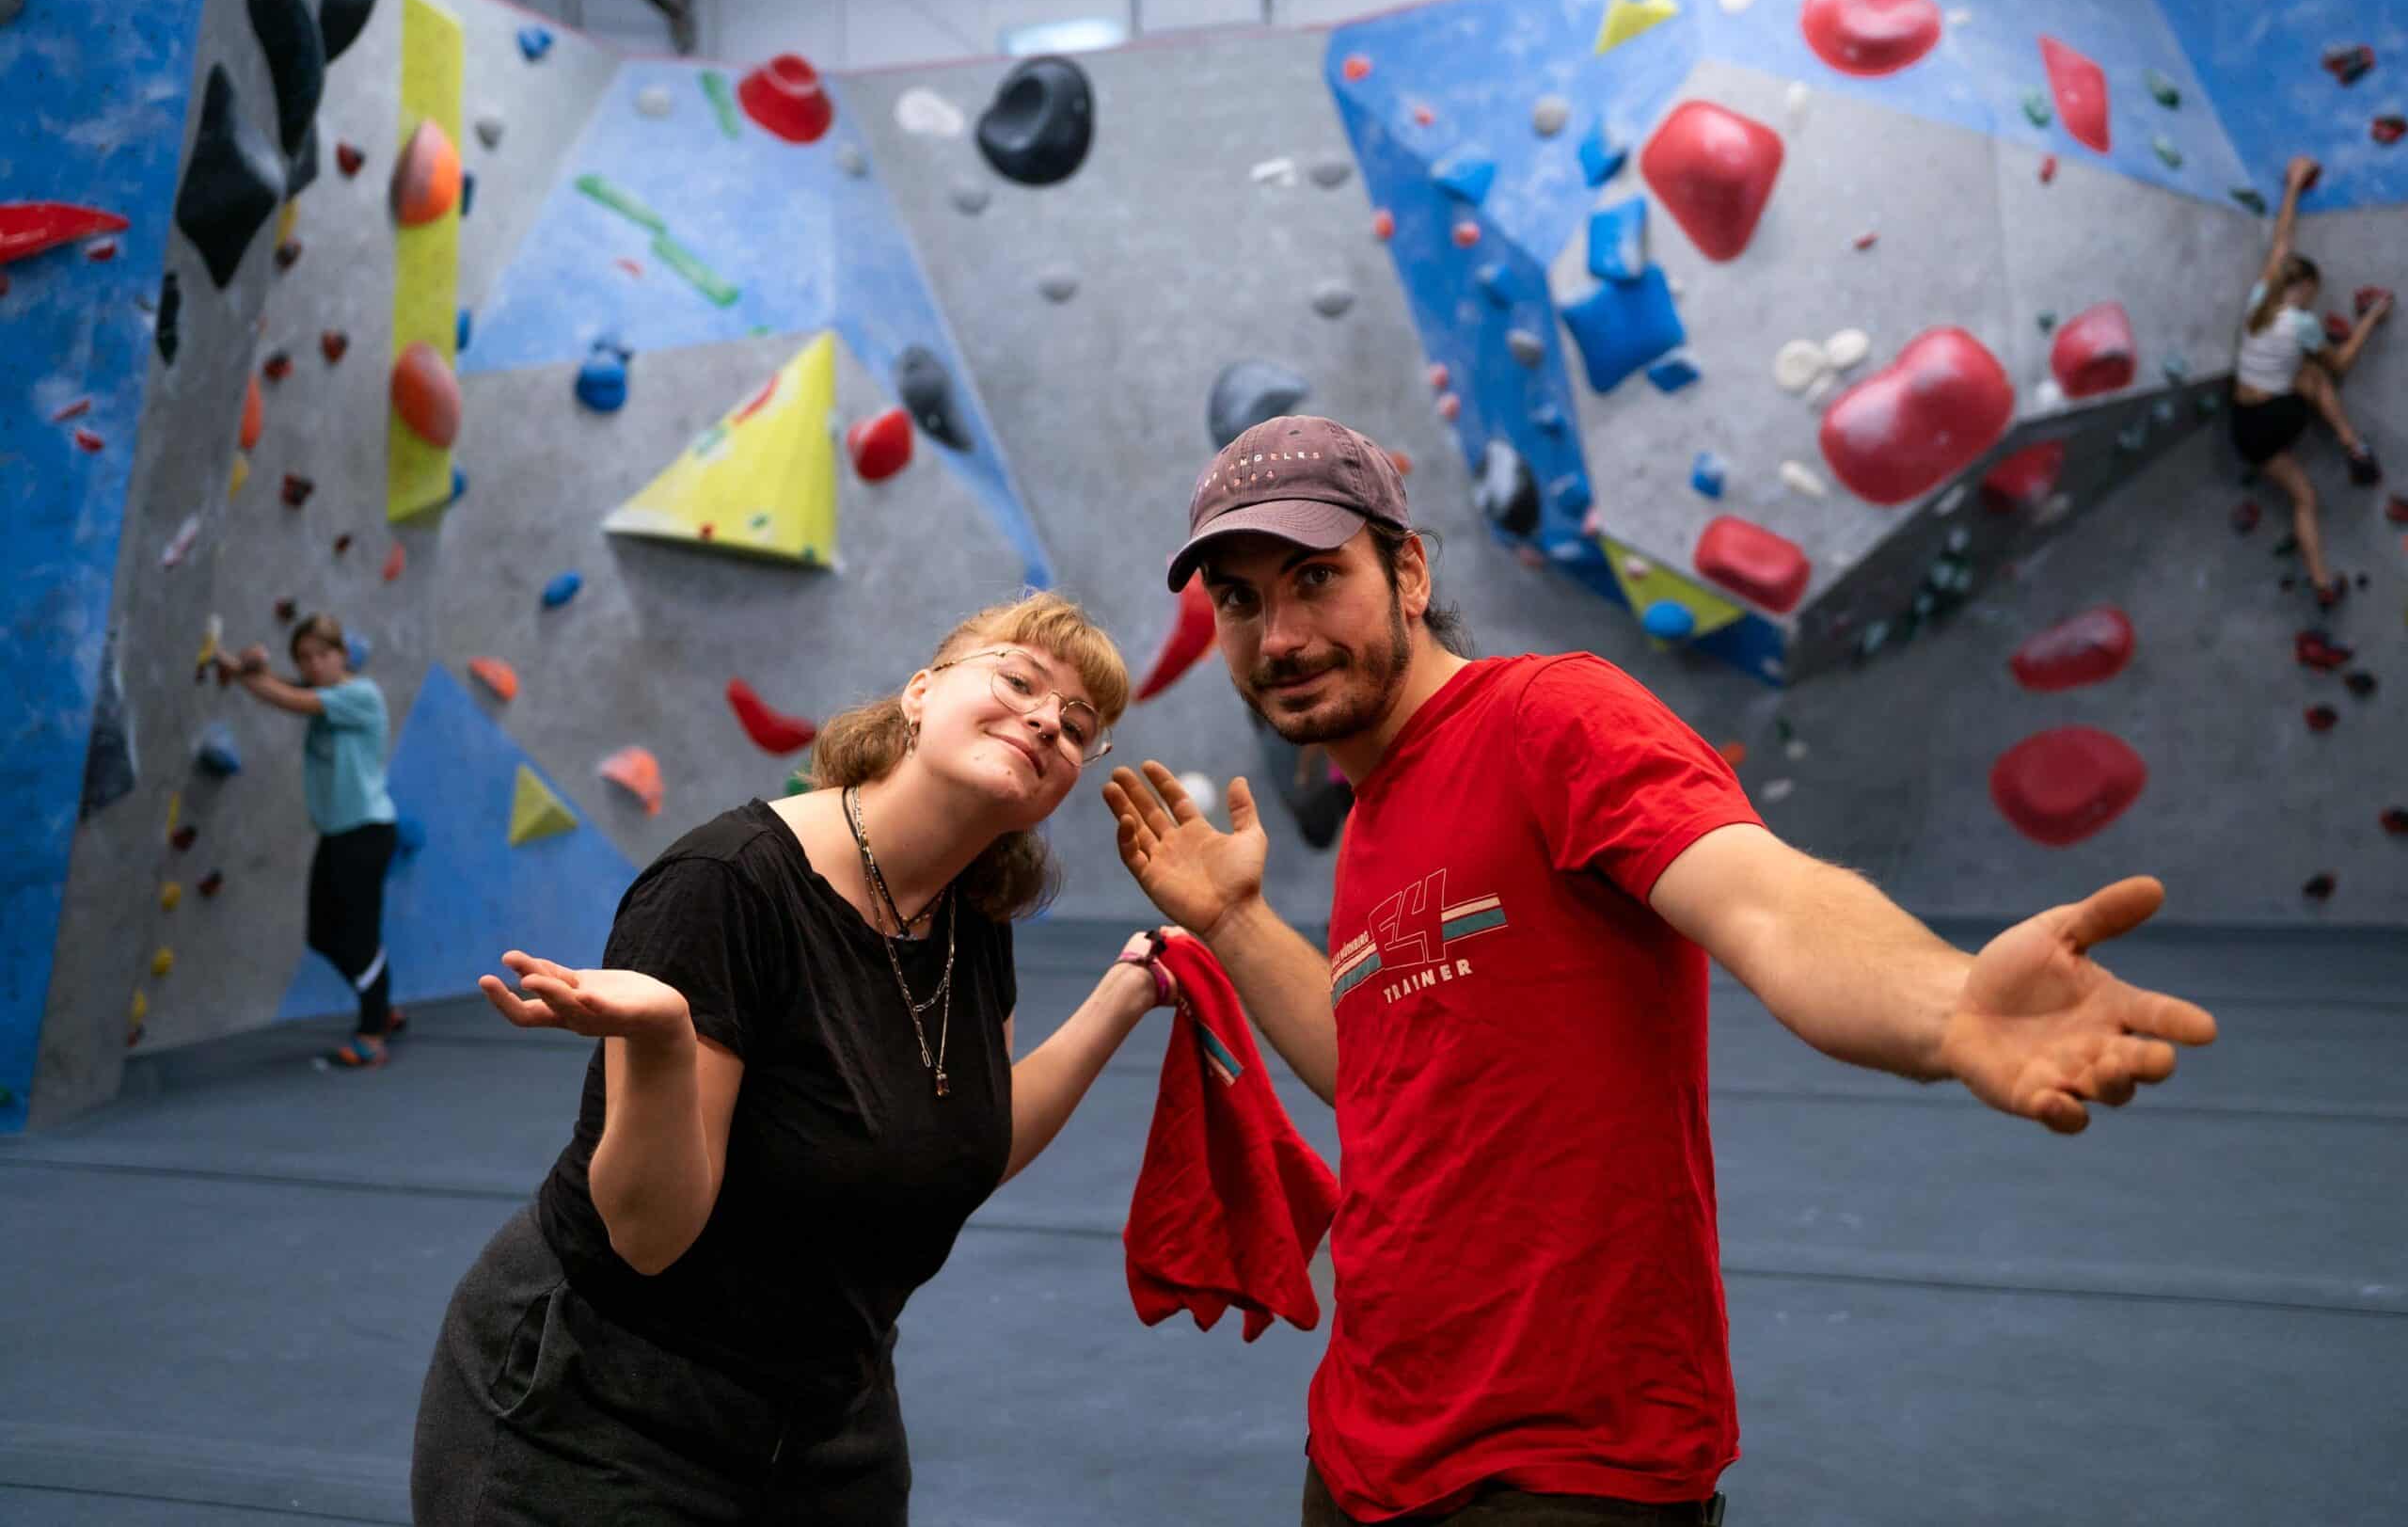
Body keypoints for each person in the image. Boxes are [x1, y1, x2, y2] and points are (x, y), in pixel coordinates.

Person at [1101, 415, 2222, 1526]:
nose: (1279, 635)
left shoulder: (1551, 719)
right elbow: (1379, 1076)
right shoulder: (1375, 816)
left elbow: (1766, 900)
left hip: (1569, 1466)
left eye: (1311, 578)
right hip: (1365, 1441)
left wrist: (1946, 1001)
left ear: (1406, 571)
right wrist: (1235, 924)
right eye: (1239, 600)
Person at [412, 590, 1182, 1525]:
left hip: (828, 1419)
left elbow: (964, 1139)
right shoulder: (724, 886)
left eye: (1076, 726)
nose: (1044, 721)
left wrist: (1127, 990)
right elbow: (647, 1236)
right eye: (1018, 680)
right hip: (601, 1409)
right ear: (919, 694)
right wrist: (660, 1040)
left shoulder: (965, 913)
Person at [214, 612, 404, 1069]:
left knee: (356, 937)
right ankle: (380, 1005)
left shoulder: (360, 694)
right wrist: (236, 663)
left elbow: (288, 698)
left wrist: (235, 669)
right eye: (305, 658)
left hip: (365, 832)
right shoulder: (327, 693)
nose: (314, 664)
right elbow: (281, 684)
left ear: (342, 655)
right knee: (324, 934)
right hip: (342, 834)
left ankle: (372, 1032)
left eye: (323, 654)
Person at [2232, 153, 2392, 609]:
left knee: (2303, 497)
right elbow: (2341, 364)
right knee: (2317, 375)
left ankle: (2324, 584)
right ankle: (2354, 446)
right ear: (2301, 292)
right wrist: (2370, 319)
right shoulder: (2300, 323)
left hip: (2244, 429)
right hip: (2276, 419)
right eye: (2313, 293)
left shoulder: (2258, 300)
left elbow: (2281, 244)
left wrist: (2293, 186)